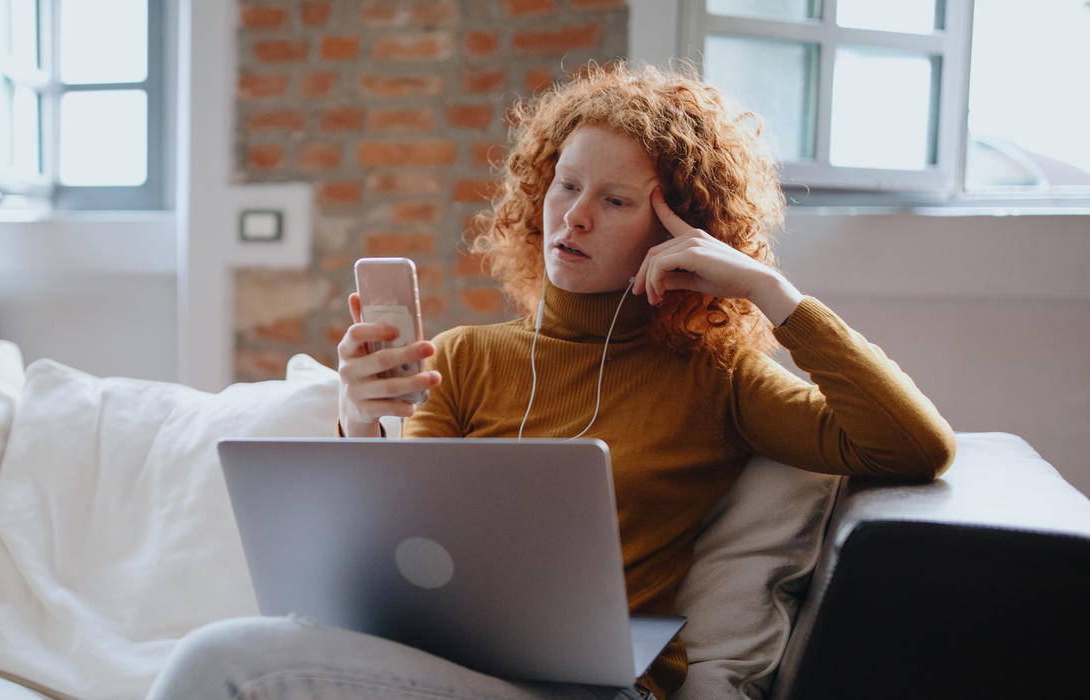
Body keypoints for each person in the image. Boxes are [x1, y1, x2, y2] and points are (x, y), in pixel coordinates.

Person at [148, 61, 954, 700]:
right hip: (446, 665)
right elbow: (413, 553)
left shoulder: (718, 383)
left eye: (614, 201)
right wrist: (363, 424)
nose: (572, 218)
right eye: (566, 184)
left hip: (602, 689)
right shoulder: (465, 358)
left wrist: (766, 291)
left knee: (223, 664)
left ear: (680, 230)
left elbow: (912, 442)